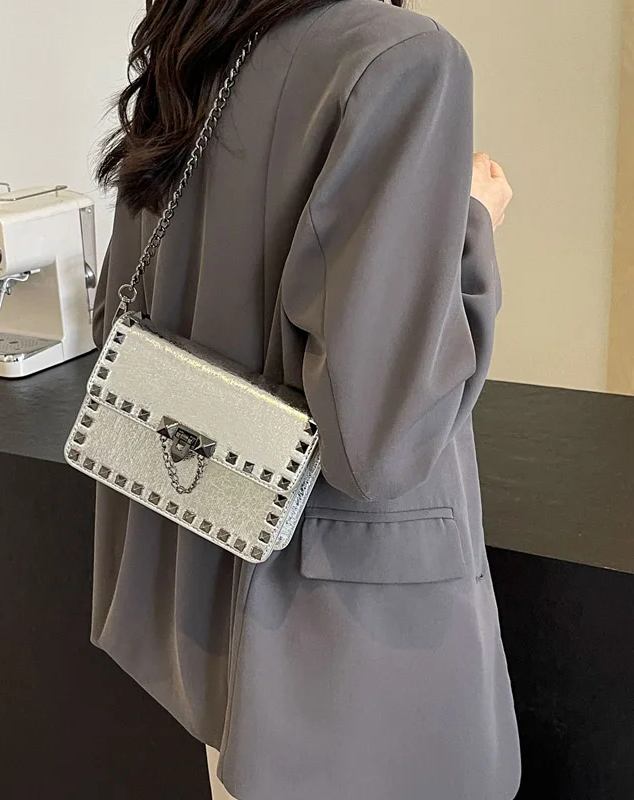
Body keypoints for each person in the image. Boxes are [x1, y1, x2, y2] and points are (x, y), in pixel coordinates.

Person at [91, 1, 518, 798]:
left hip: (208, 617)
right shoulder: (402, 58)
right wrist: (469, 225)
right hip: (343, 658)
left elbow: (116, 318)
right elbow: (379, 447)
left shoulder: (200, 46)